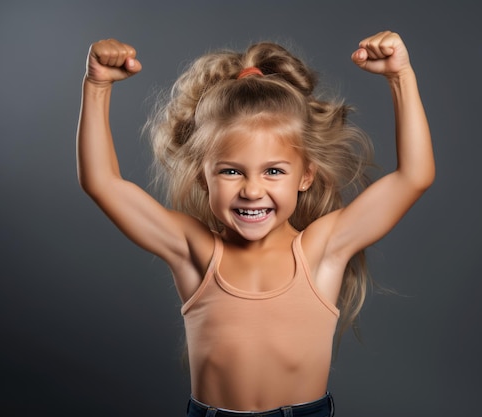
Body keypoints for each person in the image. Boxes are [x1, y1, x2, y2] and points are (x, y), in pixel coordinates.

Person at [77, 30, 434, 416]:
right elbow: (103, 183)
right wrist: (96, 86)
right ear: (202, 177)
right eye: (231, 171)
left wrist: (401, 77)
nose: (251, 190)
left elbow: (414, 176)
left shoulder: (322, 250)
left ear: (305, 176)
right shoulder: (194, 250)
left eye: (273, 171)